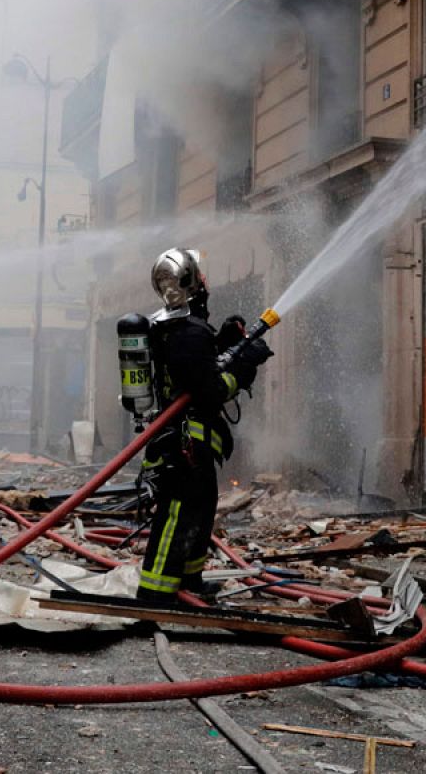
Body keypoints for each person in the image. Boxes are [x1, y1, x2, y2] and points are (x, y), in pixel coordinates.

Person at [136, 248, 272, 604]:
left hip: (187, 442)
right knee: (178, 513)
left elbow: (195, 367)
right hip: (185, 444)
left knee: (201, 507)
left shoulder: (176, 327)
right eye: (201, 277)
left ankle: (189, 581)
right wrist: (243, 371)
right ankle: (155, 593)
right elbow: (209, 390)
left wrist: (223, 341)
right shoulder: (187, 332)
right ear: (192, 281)